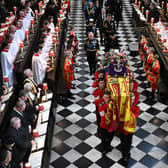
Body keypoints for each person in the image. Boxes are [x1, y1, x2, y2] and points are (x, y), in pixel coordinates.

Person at [98, 90, 115, 155]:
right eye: (105, 97)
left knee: (110, 137)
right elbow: (102, 114)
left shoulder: (112, 103)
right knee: (103, 138)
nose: (106, 99)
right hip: (104, 124)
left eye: (108, 97)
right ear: (103, 97)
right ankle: (104, 149)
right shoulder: (100, 103)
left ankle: (108, 145)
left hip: (111, 124)